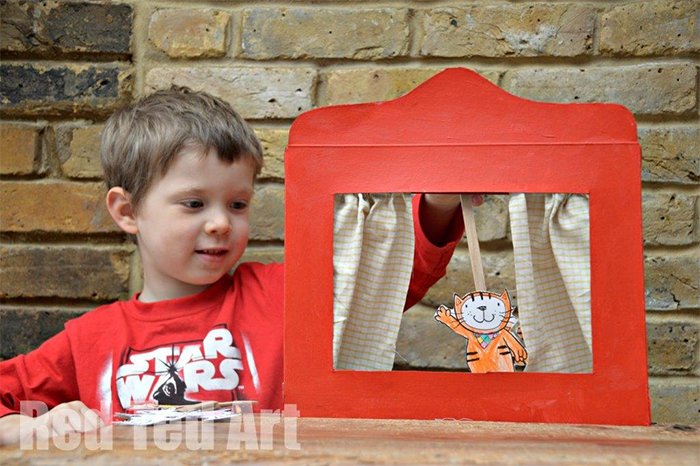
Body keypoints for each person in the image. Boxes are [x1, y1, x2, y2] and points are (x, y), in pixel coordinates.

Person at [0, 87, 474, 444]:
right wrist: (27, 426)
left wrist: (440, 196)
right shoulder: (88, 340)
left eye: (238, 204)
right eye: (193, 204)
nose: (221, 224)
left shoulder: (280, 292)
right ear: (127, 211)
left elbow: (386, 282)